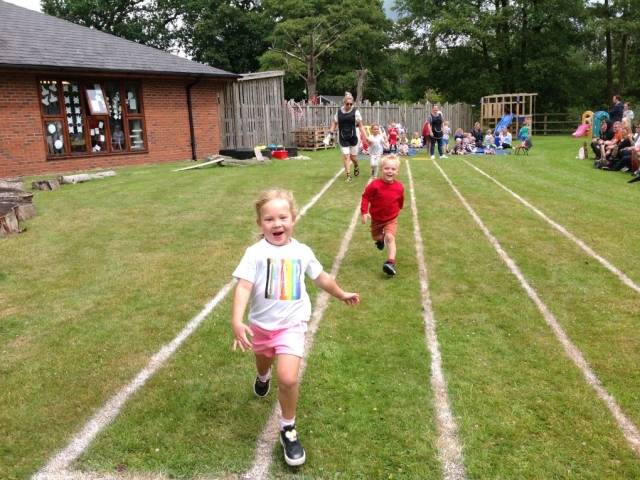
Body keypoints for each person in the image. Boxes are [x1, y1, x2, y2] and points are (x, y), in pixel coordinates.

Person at [232, 188, 359, 467]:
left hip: (292, 324)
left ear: (293, 219)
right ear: (259, 224)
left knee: (288, 378)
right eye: (269, 219)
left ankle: (288, 428)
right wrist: (237, 320)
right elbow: (243, 286)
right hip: (261, 327)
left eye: (282, 217)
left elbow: (321, 277)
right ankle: (262, 377)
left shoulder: (302, 252)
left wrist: (340, 293)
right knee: (264, 362)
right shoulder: (254, 253)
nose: (276, 224)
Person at [360, 155, 405, 276]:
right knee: (376, 237)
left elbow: (400, 198)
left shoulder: (399, 187)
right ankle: (380, 240)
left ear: (397, 171)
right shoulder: (375, 185)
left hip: (391, 218)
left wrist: (400, 206)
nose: (390, 171)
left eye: (393, 169)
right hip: (376, 219)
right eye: (387, 168)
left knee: (390, 237)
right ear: (381, 170)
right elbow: (365, 197)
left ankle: (390, 262)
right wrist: (364, 212)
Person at [325, 92, 369, 182]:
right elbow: (334, 123)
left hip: (354, 136)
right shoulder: (339, 113)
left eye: (351, 104)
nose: (349, 105)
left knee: (353, 157)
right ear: (344, 103)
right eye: (347, 104)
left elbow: (360, 126)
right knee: (346, 156)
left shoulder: (355, 112)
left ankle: (356, 165)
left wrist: (366, 137)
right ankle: (348, 175)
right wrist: (330, 134)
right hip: (343, 136)